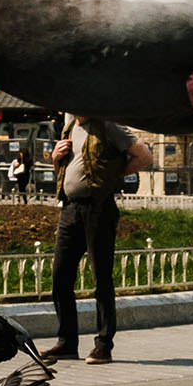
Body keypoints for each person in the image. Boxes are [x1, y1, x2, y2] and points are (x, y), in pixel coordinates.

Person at [44, 114, 152, 364]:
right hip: (70, 208)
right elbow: (68, 167)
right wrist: (55, 159)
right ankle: (67, 342)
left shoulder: (108, 124)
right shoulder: (70, 125)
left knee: (101, 278)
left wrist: (114, 176)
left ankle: (103, 345)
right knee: (60, 277)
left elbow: (144, 156)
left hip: (98, 208)